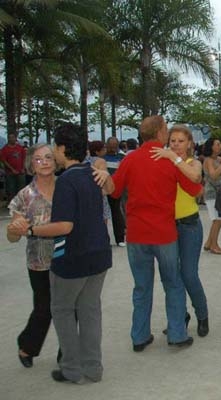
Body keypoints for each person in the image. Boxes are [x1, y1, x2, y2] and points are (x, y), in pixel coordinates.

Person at [12, 123, 112, 383]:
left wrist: (32, 230)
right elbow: (109, 190)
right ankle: (93, 367)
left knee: (63, 311)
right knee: (90, 312)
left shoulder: (67, 181)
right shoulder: (92, 173)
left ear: (63, 148)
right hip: (99, 255)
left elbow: (65, 226)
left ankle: (71, 368)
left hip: (73, 258)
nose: (53, 154)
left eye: (55, 148)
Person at [106, 115, 203, 351]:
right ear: (160, 133)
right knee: (173, 283)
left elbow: (114, 190)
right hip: (164, 233)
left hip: (137, 234)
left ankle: (139, 336)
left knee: (142, 287)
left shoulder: (131, 159)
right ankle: (177, 334)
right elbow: (194, 188)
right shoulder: (170, 159)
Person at [150, 124, 210, 337]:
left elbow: (194, 177)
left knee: (189, 274)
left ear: (189, 144)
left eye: (180, 141)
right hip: (166, 226)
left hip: (189, 226)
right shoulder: (162, 162)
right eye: (172, 141)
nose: (176, 145)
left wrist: (173, 158)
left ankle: (202, 314)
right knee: (171, 276)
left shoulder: (191, 162)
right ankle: (179, 316)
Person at [7, 144, 57, 369]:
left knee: (70, 308)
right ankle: (27, 345)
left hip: (68, 258)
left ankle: (68, 354)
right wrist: (14, 228)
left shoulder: (66, 187)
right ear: (31, 165)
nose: (44, 162)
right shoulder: (24, 196)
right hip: (39, 262)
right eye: (38, 159)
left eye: (48, 157)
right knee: (44, 308)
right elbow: (13, 237)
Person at [202, 138, 221, 254]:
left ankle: (209, 242)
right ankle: (214, 245)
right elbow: (213, 175)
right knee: (218, 219)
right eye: (217, 144)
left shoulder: (219, 159)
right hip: (212, 193)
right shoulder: (208, 160)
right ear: (211, 147)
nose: (220, 146)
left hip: (220, 193)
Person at [103, 137, 126, 246]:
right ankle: (104, 239)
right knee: (103, 215)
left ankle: (120, 238)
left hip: (117, 189)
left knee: (116, 212)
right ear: (106, 145)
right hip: (103, 189)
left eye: (114, 145)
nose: (112, 148)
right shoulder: (101, 158)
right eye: (110, 145)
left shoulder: (122, 158)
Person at [1, 132, 27, 202]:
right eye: (10, 137)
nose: (12, 139)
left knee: (21, 188)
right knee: (11, 189)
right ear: (8, 139)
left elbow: (23, 158)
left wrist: (23, 168)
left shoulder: (20, 147)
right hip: (10, 173)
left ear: (15, 138)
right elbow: (4, 161)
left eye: (13, 137)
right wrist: (12, 169)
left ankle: (22, 203)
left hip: (20, 171)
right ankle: (12, 204)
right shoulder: (4, 149)